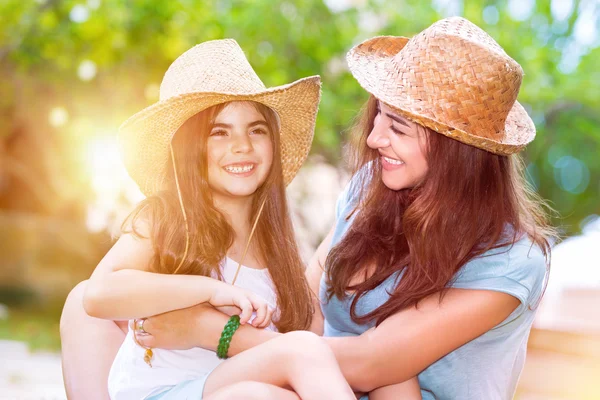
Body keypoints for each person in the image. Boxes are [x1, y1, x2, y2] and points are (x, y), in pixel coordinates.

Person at [62, 17, 555, 399]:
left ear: (456, 152)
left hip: (350, 379)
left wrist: (211, 328)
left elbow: (374, 364)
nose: (374, 138)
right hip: (300, 376)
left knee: (386, 380)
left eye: (398, 129)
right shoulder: (371, 188)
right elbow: (308, 303)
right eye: (378, 117)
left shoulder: (510, 259)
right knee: (83, 307)